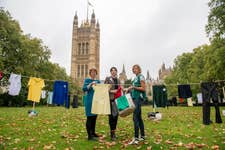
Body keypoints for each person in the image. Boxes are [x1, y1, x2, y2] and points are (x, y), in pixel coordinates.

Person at [127, 64, 146, 145]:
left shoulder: (141, 76)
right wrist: (128, 89)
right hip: (135, 98)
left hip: (138, 99)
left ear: (139, 69)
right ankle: (143, 136)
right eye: (133, 69)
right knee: (139, 117)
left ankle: (136, 138)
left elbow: (143, 88)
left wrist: (133, 87)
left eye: (136, 68)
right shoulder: (135, 78)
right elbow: (134, 88)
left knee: (135, 118)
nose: (134, 70)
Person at [82, 68, 101, 141]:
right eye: (92, 72)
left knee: (94, 117)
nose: (93, 73)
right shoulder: (87, 80)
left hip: (96, 101)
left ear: (96, 73)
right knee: (89, 117)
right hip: (90, 101)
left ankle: (93, 133)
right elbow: (84, 89)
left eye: (94, 72)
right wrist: (91, 84)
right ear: (90, 73)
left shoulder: (98, 81)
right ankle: (89, 136)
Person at [104, 67, 121, 141]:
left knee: (116, 116)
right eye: (112, 71)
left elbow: (120, 89)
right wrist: (112, 91)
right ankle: (112, 134)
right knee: (111, 117)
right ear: (110, 72)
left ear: (116, 72)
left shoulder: (118, 79)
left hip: (117, 100)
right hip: (110, 99)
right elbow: (105, 89)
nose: (114, 72)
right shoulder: (108, 79)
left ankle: (114, 132)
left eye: (115, 71)